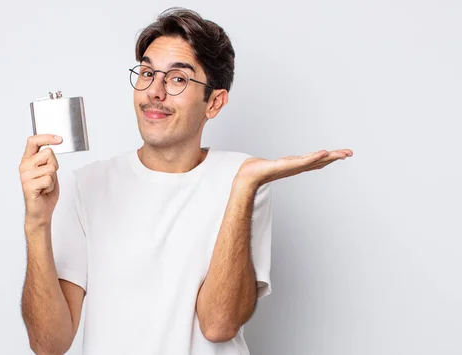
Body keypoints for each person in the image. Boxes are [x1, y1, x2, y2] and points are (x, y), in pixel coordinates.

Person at [19, 7, 352, 355]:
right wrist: (36, 223)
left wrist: (243, 188)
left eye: (177, 79)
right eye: (147, 73)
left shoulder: (247, 177)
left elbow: (219, 324)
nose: (154, 92)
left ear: (215, 102)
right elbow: (49, 344)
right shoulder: (86, 185)